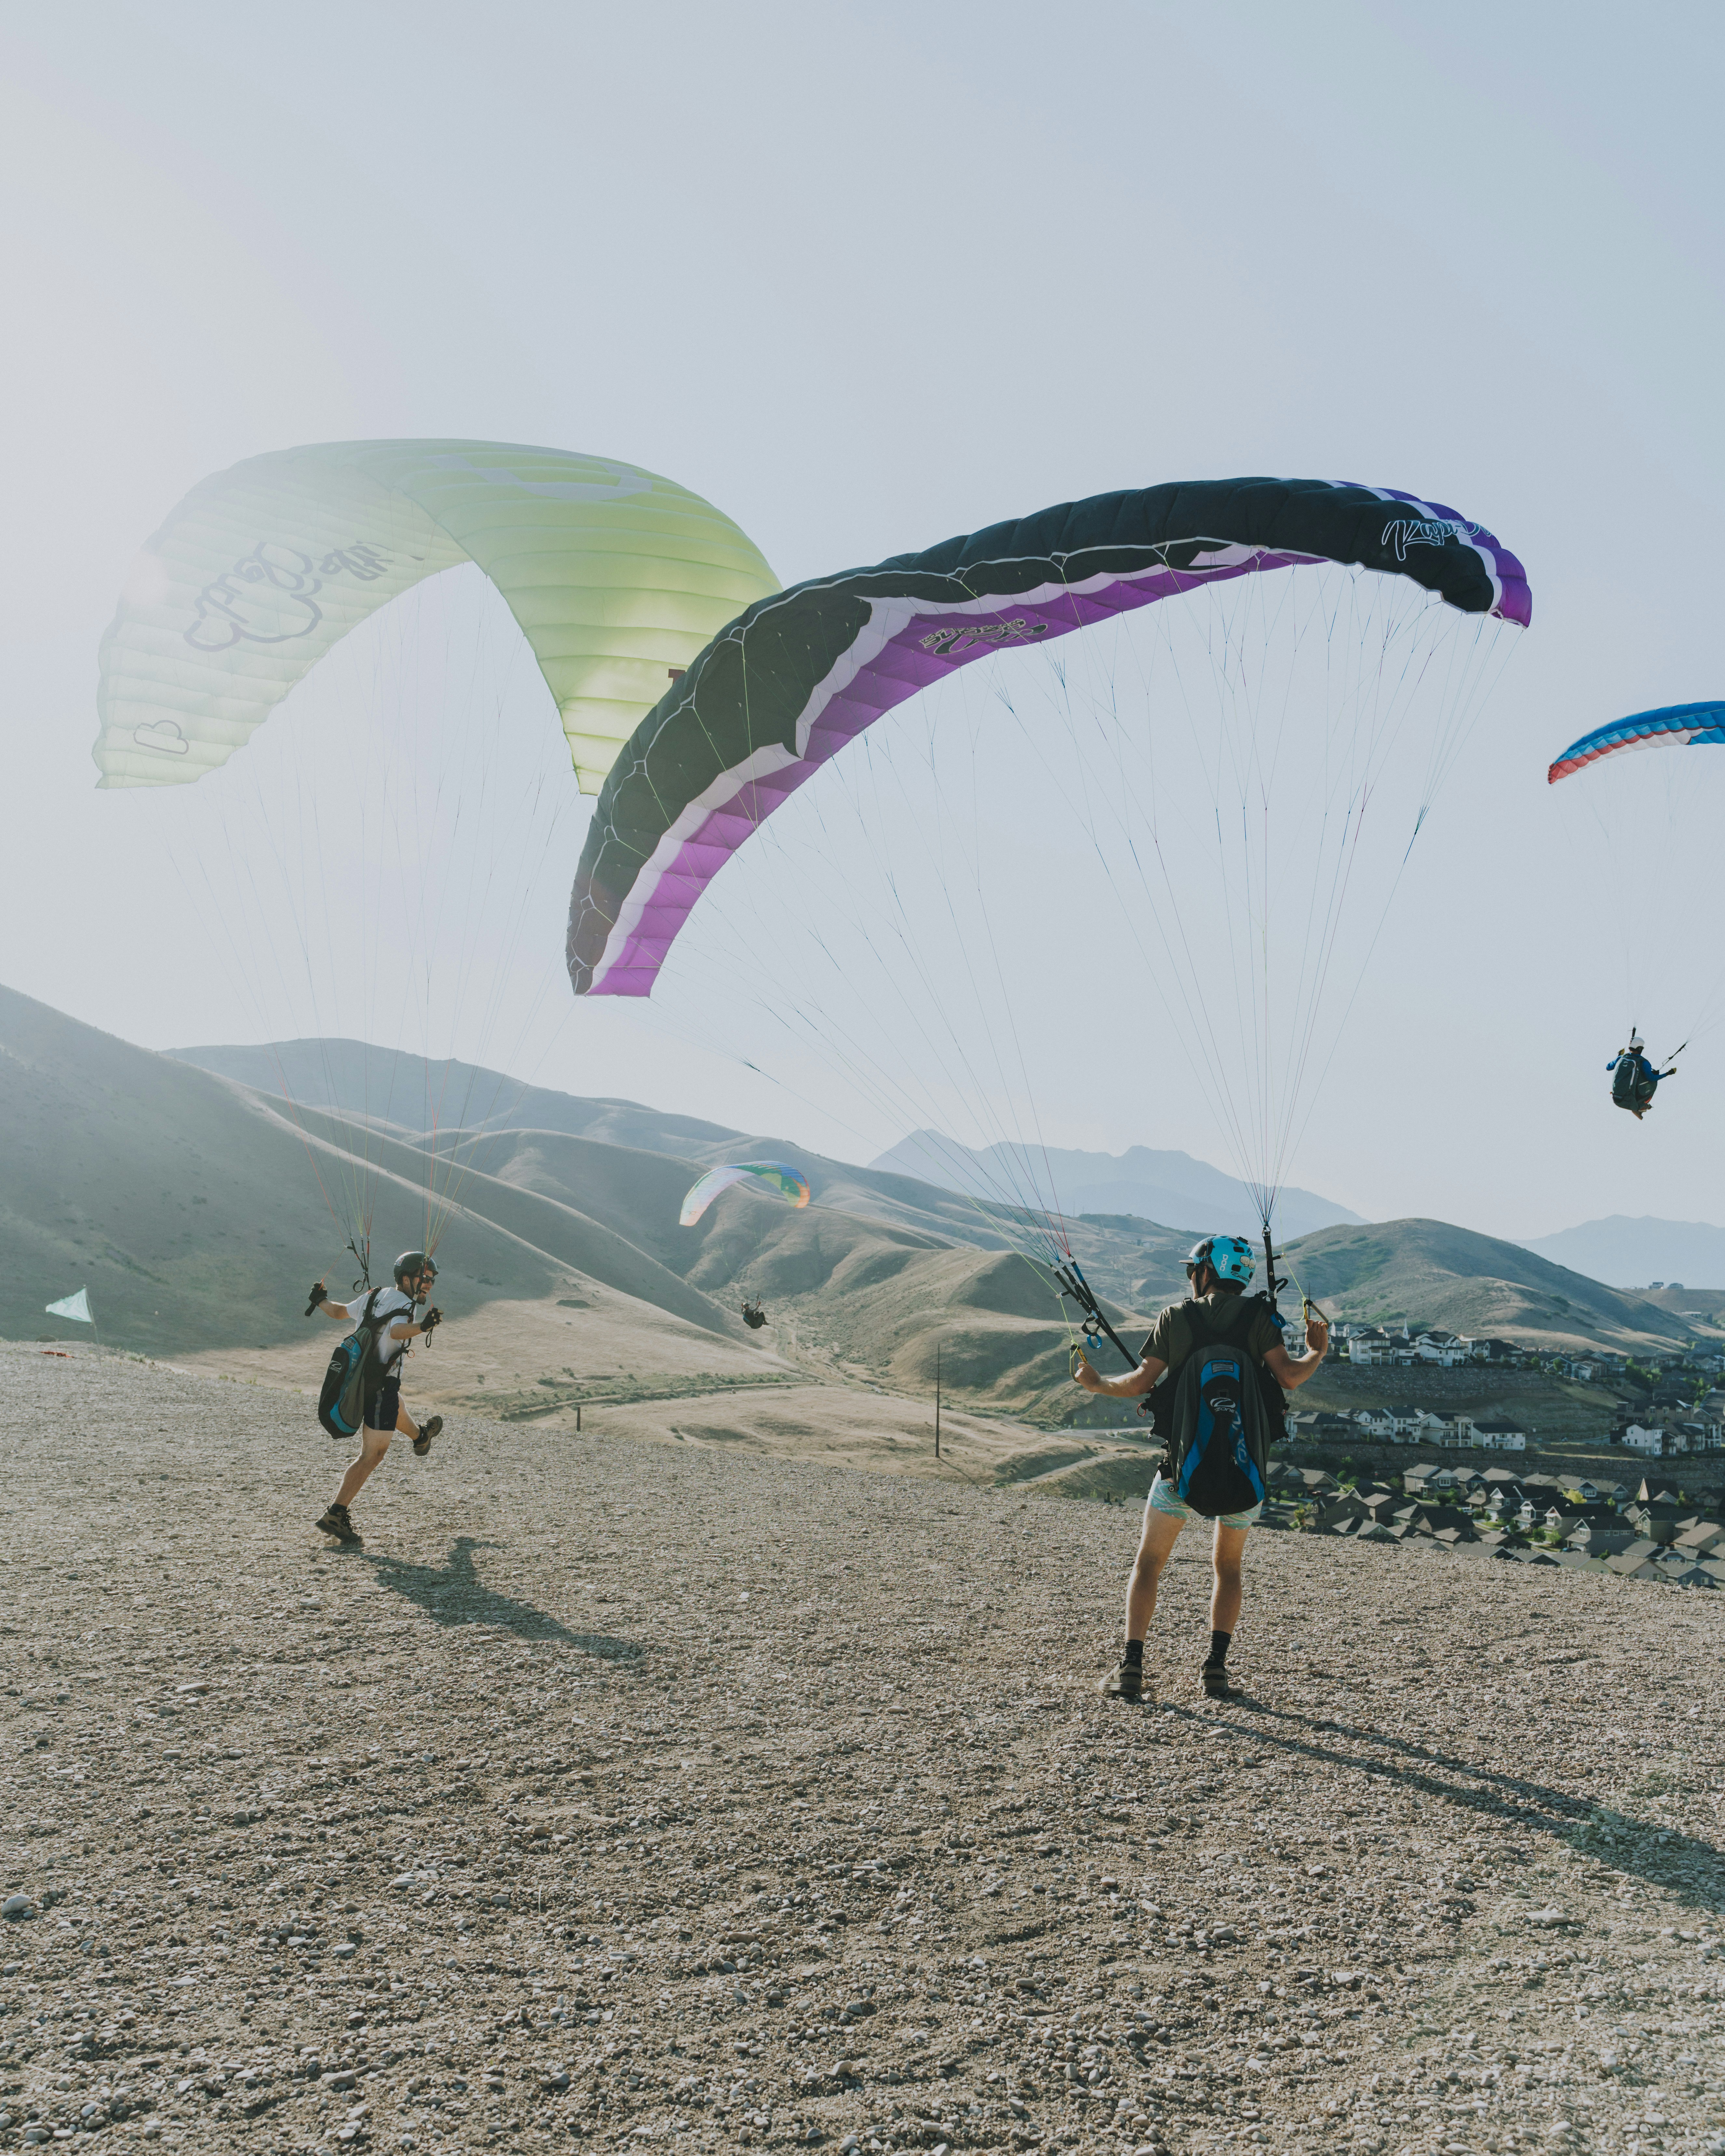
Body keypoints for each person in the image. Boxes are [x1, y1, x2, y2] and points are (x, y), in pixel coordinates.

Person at [1072, 1233, 1329, 1702]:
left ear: (1207, 1271)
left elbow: (1138, 1384)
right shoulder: (1259, 1317)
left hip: (1180, 1472)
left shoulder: (1176, 1317)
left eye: (1194, 1270)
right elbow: (1290, 1376)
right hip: (1243, 1469)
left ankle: (1131, 1666)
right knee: (1228, 1566)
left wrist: (1096, 1383)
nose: (1192, 1277)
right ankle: (1215, 1667)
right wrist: (1317, 1350)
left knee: (1150, 1562)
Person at [308, 1251, 445, 1545]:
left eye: (432, 1280)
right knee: (373, 1455)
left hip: (361, 1380)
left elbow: (338, 1311)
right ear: (407, 1279)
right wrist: (423, 1327)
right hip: (380, 1387)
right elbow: (397, 1332)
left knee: (396, 1406)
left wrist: (319, 1300)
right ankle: (336, 1513)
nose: (430, 1285)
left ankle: (421, 1437)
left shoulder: (374, 1295)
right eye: (426, 1279)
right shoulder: (407, 1305)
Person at [1608, 1035, 1674, 1120]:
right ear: (1640, 1049)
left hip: (1616, 1100)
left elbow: (1609, 1067)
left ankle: (1638, 1106)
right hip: (1630, 1102)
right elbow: (1652, 1078)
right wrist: (1667, 1074)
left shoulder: (1621, 1058)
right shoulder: (1643, 1062)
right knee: (1654, 1082)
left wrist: (1619, 1056)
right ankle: (1641, 1106)